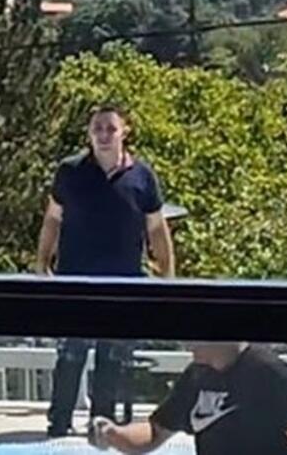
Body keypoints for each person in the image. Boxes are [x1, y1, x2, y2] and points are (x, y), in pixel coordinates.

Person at [36, 104, 175, 438]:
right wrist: (42, 262)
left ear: (124, 131)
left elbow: (157, 228)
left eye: (110, 128)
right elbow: (53, 218)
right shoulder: (70, 172)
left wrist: (167, 274)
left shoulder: (142, 176)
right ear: (89, 134)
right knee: (70, 354)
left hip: (123, 282)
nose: (103, 135)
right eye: (97, 128)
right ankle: (58, 423)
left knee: (113, 357)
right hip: (75, 280)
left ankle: (103, 426)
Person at [90, 341, 287, 455]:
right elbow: (156, 430)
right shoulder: (197, 377)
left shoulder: (273, 378)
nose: (186, 343)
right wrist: (114, 434)